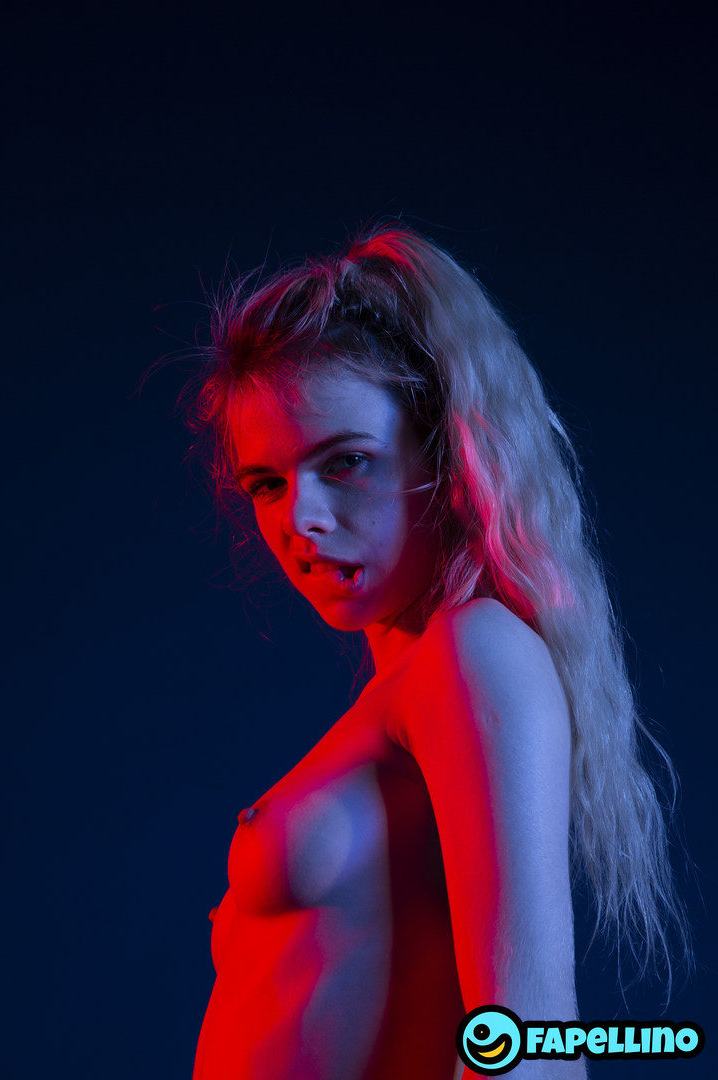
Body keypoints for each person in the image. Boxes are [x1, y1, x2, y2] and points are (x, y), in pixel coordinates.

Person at [185, 224, 687, 1079]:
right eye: (267, 483)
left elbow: (531, 1040)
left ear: (447, 451)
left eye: (345, 462)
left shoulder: (473, 651)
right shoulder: (405, 688)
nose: (300, 519)